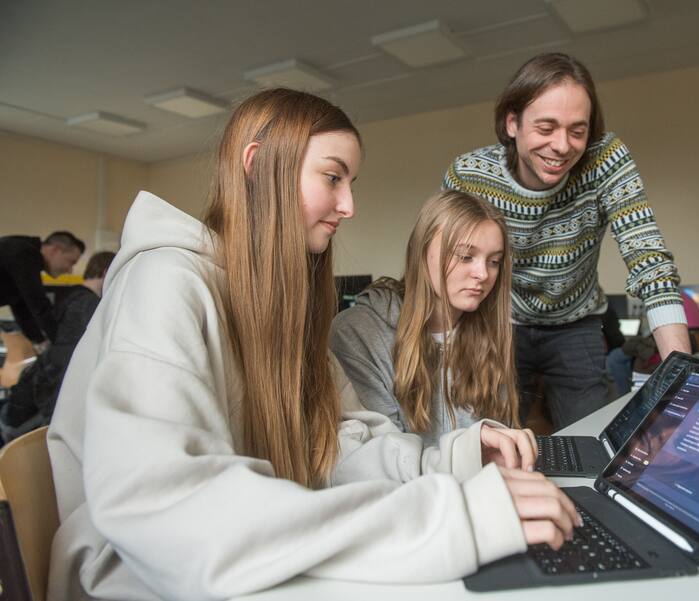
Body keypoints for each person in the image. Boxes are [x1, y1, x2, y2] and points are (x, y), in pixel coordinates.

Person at [47, 88, 579, 601]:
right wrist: (452, 519)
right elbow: (172, 508)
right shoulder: (166, 281)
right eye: (333, 177)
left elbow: (336, 445)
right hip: (139, 575)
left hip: (230, 555)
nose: (348, 205)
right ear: (258, 166)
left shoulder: (278, 308)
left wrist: (460, 460)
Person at [443, 52, 691, 428]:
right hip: (499, 323)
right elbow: (445, 269)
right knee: (493, 437)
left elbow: (648, 257)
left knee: (590, 437)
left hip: (577, 323)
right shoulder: (470, 176)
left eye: (577, 131)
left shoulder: (605, 160)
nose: (562, 146)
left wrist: (681, 378)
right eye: (546, 128)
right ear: (512, 123)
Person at [330, 190, 521, 448]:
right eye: (465, 256)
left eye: (494, 261)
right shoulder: (357, 332)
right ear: (421, 252)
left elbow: (497, 437)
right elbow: (383, 453)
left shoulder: (489, 329)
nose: (483, 274)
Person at [0, 251, 115, 444]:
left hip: (17, 409)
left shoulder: (69, 298)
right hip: (27, 429)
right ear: (107, 273)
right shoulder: (90, 309)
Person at [0, 231, 84, 345]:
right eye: (71, 262)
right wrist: (62, 343)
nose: (70, 270)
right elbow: (38, 303)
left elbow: (23, 308)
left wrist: (40, 341)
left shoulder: (19, 250)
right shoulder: (24, 253)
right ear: (55, 250)